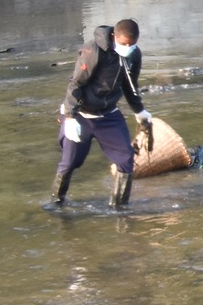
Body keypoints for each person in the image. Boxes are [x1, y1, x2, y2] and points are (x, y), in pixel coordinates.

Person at [50, 18, 150, 209]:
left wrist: (139, 111)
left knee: (126, 159)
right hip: (82, 115)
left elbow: (130, 86)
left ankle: (119, 208)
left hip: (108, 116)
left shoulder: (133, 55)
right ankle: (56, 202)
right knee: (70, 162)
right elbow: (76, 84)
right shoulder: (93, 51)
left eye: (132, 44)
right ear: (114, 36)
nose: (128, 47)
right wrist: (70, 117)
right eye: (124, 44)